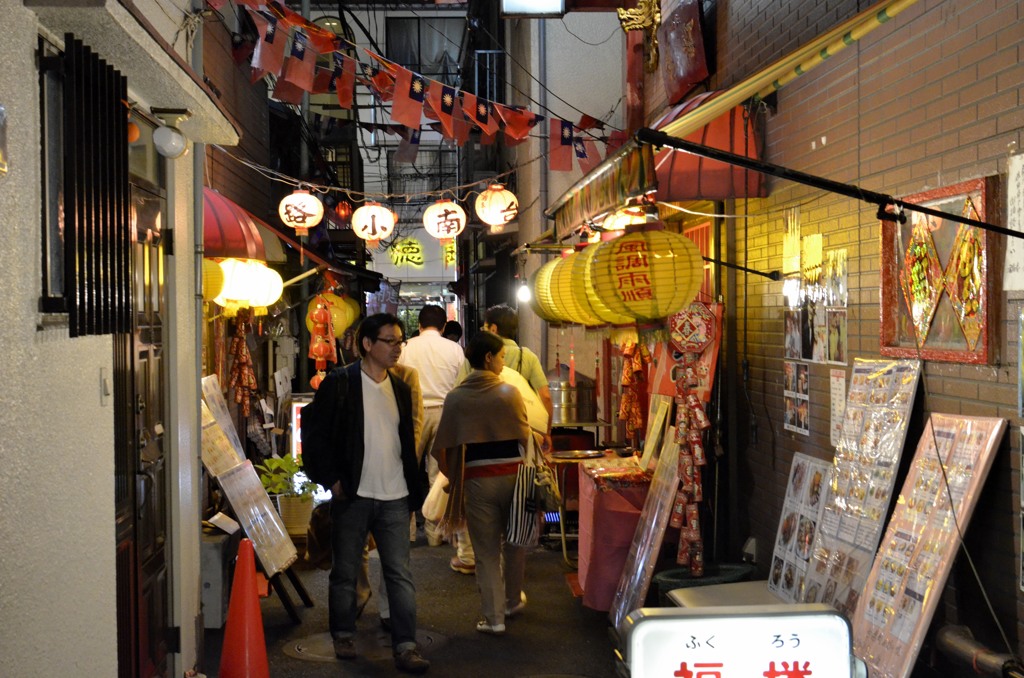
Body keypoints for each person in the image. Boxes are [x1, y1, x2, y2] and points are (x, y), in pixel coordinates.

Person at [309, 313, 430, 674]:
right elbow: (315, 437)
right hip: (354, 494)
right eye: (389, 341)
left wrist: (414, 490)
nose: (397, 348)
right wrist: (331, 480)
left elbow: (407, 442)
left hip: (395, 494)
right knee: (345, 571)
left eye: (399, 342)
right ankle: (343, 633)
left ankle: (406, 645)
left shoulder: (402, 387)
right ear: (367, 344)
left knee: (399, 573)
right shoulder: (340, 383)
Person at [432, 331, 535, 636]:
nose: (504, 363)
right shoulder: (509, 393)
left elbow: (445, 449)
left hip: (478, 481)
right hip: (515, 479)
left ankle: (494, 618)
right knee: (515, 541)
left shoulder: (456, 397)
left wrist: (454, 477)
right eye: (502, 356)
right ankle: (512, 601)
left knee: (487, 551)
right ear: (488, 358)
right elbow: (525, 436)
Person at [397, 305, 467, 560]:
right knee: (439, 473)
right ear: (444, 327)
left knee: (407, 472)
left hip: (413, 413)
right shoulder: (455, 349)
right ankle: (436, 532)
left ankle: (406, 532)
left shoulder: (406, 348)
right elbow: (461, 384)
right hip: (446, 413)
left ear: (419, 324)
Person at [458, 304, 553, 432]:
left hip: (482, 429)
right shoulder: (527, 356)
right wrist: (547, 431)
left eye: (484, 327)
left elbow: (459, 391)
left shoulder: (476, 355)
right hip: (520, 429)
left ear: (493, 329)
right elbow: (545, 396)